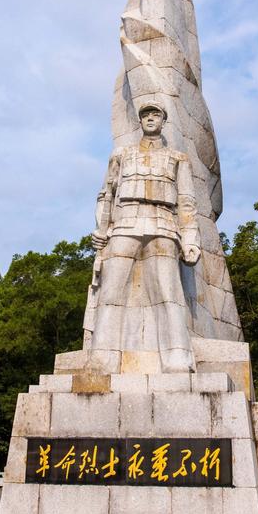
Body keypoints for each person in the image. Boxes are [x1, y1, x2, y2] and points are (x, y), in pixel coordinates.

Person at [86, 102, 200, 373]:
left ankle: (177, 357)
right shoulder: (121, 155)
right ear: (139, 121)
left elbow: (186, 203)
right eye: (145, 115)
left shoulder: (178, 159)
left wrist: (190, 240)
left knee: (168, 292)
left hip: (163, 226)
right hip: (125, 224)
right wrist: (102, 229)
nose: (150, 118)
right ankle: (102, 358)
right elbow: (106, 195)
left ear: (163, 121)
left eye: (155, 115)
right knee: (111, 291)